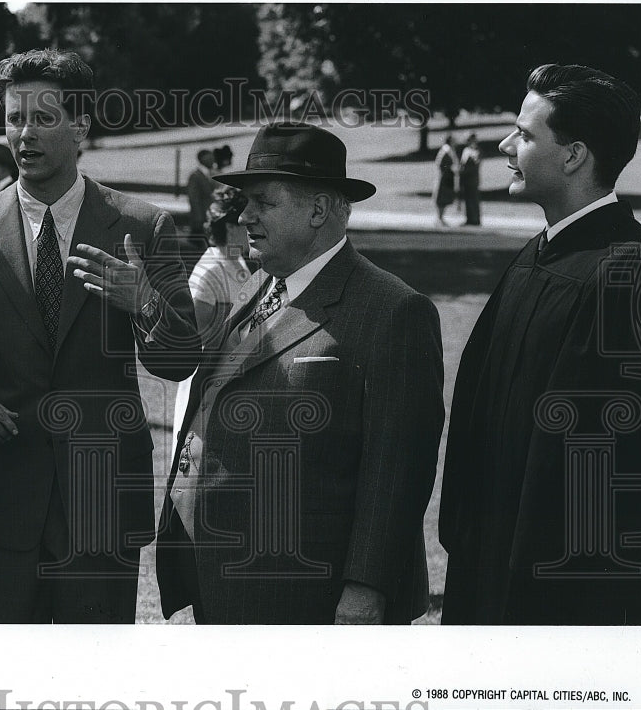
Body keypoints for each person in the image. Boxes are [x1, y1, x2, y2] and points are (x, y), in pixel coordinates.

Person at [0, 48, 200, 624]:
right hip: (5, 493)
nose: (25, 133)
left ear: (81, 128)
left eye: (44, 118)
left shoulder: (143, 226)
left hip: (102, 497)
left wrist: (141, 299)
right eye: (15, 118)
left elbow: (180, 360)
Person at [156, 122, 445, 624]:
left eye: (262, 202)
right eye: (244, 202)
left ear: (318, 210)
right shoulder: (258, 285)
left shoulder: (393, 310)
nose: (243, 215)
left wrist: (366, 588)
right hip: (223, 578)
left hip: (307, 593)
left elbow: (398, 469)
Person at [439, 64, 641, 625]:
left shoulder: (628, 276)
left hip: (552, 598)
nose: (506, 145)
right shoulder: (537, 256)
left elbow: (598, 471)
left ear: (573, 155)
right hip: (486, 567)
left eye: (526, 134)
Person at [171, 184, 253, 444]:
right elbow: (192, 335)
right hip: (207, 387)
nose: (251, 226)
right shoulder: (210, 269)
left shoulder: (237, 263)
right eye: (244, 221)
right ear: (230, 228)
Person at [186, 149, 216, 235]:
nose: (213, 160)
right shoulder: (195, 176)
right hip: (200, 220)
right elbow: (193, 199)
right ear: (203, 159)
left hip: (209, 218)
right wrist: (199, 220)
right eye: (210, 158)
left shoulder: (210, 175)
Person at [432, 135, 458, 225]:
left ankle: (440, 218)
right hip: (445, 177)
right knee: (442, 198)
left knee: (445, 197)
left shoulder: (448, 150)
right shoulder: (446, 150)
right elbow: (440, 164)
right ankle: (439, 218)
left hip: (448, 176)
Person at [459, 132, 482, 226]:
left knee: (473, 199)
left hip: (472, 178)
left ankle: (475, 219)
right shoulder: (466, 150)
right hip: (466, 179)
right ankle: (469, 218)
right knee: (468, 199)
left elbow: (475, 164)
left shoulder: (476, 151)